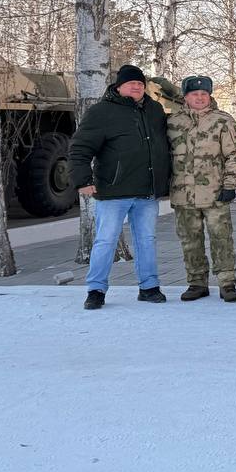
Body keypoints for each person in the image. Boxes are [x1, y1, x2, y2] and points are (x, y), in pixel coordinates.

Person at [69, 64, 173, 310]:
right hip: (113, 191)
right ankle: (96, 289)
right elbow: (80, 147)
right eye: (131, 83)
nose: (136, 87)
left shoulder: (154, 109)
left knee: (146, 240)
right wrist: (82, 180)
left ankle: (149, 287)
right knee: (106, 240)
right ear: (118, 87)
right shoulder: (102, 112)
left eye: (140, 83)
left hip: (146, 191)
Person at [167, 75, 236, 302]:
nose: (200, 98)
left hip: (215, 193)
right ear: (186, 97)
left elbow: (235, 155)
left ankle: (227, 282)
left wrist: (230, 185)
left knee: (221, 238)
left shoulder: (222, 121)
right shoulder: (172, 122)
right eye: (194, 94)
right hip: (183, 194)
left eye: (204, 94)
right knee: (189, 240)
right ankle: (196, 282)